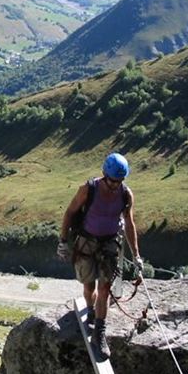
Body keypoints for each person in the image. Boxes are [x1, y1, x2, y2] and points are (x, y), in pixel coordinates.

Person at [56, 153, 143, 359]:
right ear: (105, 174)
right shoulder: (88, 189)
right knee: (89, 286)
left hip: (110, 243)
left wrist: (137, 255)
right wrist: (63, 240)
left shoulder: (125, 194)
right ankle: (91, 309)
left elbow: (129, 224)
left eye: (119, 181)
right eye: (113, 180)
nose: (115, 185)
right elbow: (69, 213)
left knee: (105, 288)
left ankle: (100, 332)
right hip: (86, 240)